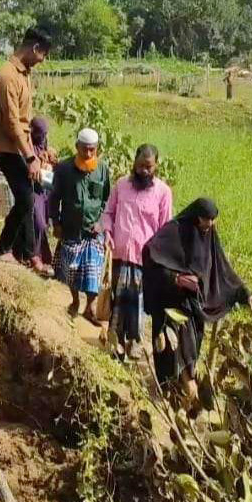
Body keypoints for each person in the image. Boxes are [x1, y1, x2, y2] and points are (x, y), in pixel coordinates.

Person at [142, 198, 252, 403]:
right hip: (170, 303)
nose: (208, 224)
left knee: (191, 348)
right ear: (194, 216)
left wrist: (247, 296)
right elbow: (150, 255)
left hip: (194, 307)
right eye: (204, 219)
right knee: (173, 349)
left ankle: (182, 396)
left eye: (212, 220)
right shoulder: (175, 230)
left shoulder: (209, 236)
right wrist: (176, 279)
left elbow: (224, 270)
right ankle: (175, 391)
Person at [101, 144, 173, 360]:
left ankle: (135, 343)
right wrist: (107, 232)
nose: (144, 170)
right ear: (134, 162)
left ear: (156, 167)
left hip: (145, 258)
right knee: (118, 300)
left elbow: (165, 228)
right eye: (140, 165)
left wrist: (160, 258)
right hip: (119, 253)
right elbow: (108, 212)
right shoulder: (121, 185)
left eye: (148, 167)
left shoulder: (163, 192)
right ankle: (116, 343)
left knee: (138, 303)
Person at [0, 26, 52, 270]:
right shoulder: (7, 76)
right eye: (43, 55)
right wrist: (30, 157)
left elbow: (25, 120)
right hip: (6, 145)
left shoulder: (23, 74)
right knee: (26, 198)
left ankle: (25, 253)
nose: (42, 60)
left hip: (18, 145)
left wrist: (37, 150)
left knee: (27, 195)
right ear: (35, 48)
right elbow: (12, 122)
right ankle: (3, 249)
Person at [49, 128, 111, 321]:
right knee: (72, 270)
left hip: (94, 230)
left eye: (92, 149)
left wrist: (101, 223)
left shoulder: (102, 169)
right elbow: (53, 198)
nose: (88, 154)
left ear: (97, 149)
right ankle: (75, 301)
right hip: (71, 228)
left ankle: (90, 306)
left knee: (94, 270)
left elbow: (107, 201)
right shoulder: (63, 169)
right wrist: (56, 223)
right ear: (77, 147)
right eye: (84, 149)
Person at [29, 116, 57, 270]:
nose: (43, 137)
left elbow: (53, 161)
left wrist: (49, 165)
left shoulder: (44, 145)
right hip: (32, 189)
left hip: (44, 190)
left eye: (44, 134)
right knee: (38, 223)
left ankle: (41, 256)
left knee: (42, 224)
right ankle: (34, 255)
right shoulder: (28, 147)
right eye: (40, 133)